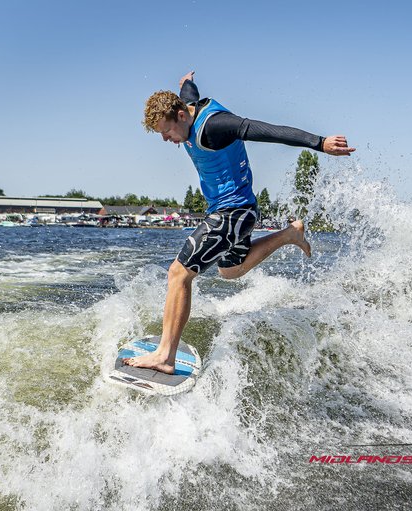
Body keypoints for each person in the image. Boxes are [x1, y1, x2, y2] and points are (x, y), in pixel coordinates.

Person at [123, 71, 355, 374]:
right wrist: (185, 81)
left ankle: (165, 356)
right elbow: (190, 91)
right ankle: (289, 234)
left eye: (166, 132)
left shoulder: (216, 127)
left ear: (181, 115)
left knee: (179, 274)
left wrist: (319, 142)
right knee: (231, 270)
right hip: (238, 212)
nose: (167, 139)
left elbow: (267, 130)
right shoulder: (187, 108)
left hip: (232, 213)